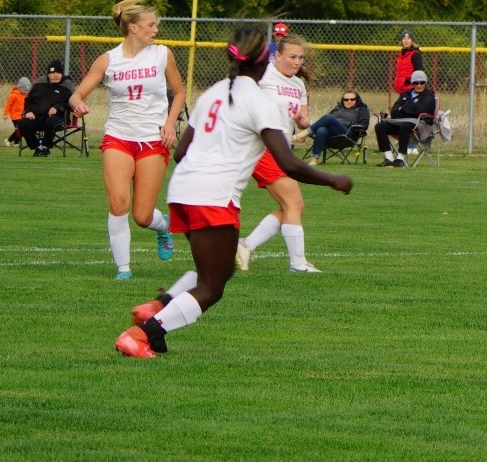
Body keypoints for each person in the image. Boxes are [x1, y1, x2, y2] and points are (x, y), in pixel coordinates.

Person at [116, 25, 353, 357]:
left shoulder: (214, 92)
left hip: (182, 190)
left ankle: (159, 305)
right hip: (212, 196)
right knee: (213, 287)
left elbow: (182, 151)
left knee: (216, 269)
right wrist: (333, 180)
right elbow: (288, 163)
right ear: (263, 63)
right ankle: (141, 334)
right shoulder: (259, 101)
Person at [71, 0, 182, 280]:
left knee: (142, 216)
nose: (155, 30)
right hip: (118, 138)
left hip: (152, 140)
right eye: (151, 25)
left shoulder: (162, 55)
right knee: (118, 203)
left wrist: (170, 124)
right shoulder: (108, 60)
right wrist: (77, 103)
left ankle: (163, 227)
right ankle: (123, 269)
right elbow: (77, 93)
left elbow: (179, 93)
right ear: (133, 28)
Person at [236, 34, 320, 275]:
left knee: (294, 205)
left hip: (283, 150)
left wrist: (304, 121)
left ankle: (246, 245)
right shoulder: (262, 76)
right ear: (278, 56)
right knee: (292, 202)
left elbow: (303, 121)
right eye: (292, 57)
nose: (297, 62)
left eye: (301, 58)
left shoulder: (299, 85)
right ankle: (298, 263)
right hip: (261, 148)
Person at [376, 70, 438, 165]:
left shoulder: (429, 95)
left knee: (405, 125)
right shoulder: (405, 94)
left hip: (419, 124)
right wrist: (409, 108)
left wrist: (403, 108)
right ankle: (389, 158)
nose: (419, 85)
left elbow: (420, 110)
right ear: (412, 83)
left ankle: (400, 158)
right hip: (400, 122)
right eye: (416, 83)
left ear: (425, 83)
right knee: (380, 126)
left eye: (422, 82)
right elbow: (394, 111)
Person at [305, 90, 371, 159]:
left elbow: (364, 125)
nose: (349, 101)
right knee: (321, 130)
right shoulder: (337, 108)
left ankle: (304, 134)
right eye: (346, 100)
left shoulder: (362, 109)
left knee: (329, 117)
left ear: (357, 100)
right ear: (343, 100)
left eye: (352, 99)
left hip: (347, 136)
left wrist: (348, 123)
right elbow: (326, 121)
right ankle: (314, 159)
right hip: (330, 137)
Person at [389, 31, 421, 103]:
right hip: (402, 88)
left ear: (412, 41)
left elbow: (419, 72)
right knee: (399, 110)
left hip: (410, 88)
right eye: (404, 38)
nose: (406, 40)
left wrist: (408, 81)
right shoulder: (400, 54)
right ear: (401, 41)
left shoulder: (415, 54)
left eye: (408, 38)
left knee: (402, 110)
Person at [3, 77, 30, 146]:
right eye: (24, 90)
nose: (26, 91)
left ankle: (16, 142)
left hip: (23, 116)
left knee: (21, 129)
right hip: (15, 116)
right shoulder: (13, 95)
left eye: (27, 90)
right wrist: (5, 114)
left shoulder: (27, 96)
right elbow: (8, 105)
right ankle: (9, 140)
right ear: (20, 88)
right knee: (19, 129)